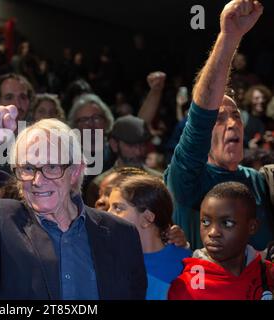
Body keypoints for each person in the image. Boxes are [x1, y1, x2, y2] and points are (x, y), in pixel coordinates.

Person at [0, 105, 147, 299]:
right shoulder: (2, 220)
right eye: (28, 168)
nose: (37, 181)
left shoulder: (121, 233)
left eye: (51, 167)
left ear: (76, 171)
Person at [164, 0, 273, 250]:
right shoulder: (186, 178)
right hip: (205, 289)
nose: (233, 123)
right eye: (219, 119)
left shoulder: (261, 182)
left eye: (235, 115)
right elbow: (201, 117)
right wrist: (229, 37)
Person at [168, 182, 274, 300]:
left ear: (252, 227)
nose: (212, 233)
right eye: (205, 222)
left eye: (227, 223)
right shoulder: (186, 286)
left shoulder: (268, 274)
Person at [108, 175, 192, 300]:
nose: (108, 213)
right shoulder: (105, 260)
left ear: (148, 218)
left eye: (118, 208)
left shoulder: (187, 264)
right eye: (109, 207)